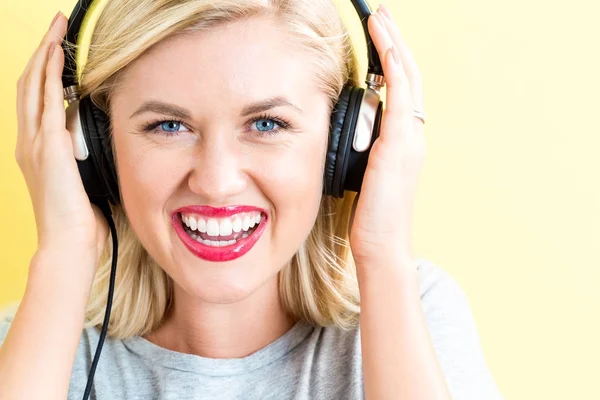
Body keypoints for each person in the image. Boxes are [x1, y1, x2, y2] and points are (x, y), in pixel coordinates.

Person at [0, 0, 503, 399]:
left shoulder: (414, 313)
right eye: (168, 125)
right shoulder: (28, 342)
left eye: (267, 124)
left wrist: (381, 250)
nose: (216, 182)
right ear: (90, 148)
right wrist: (64, 255)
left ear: (349, 141)